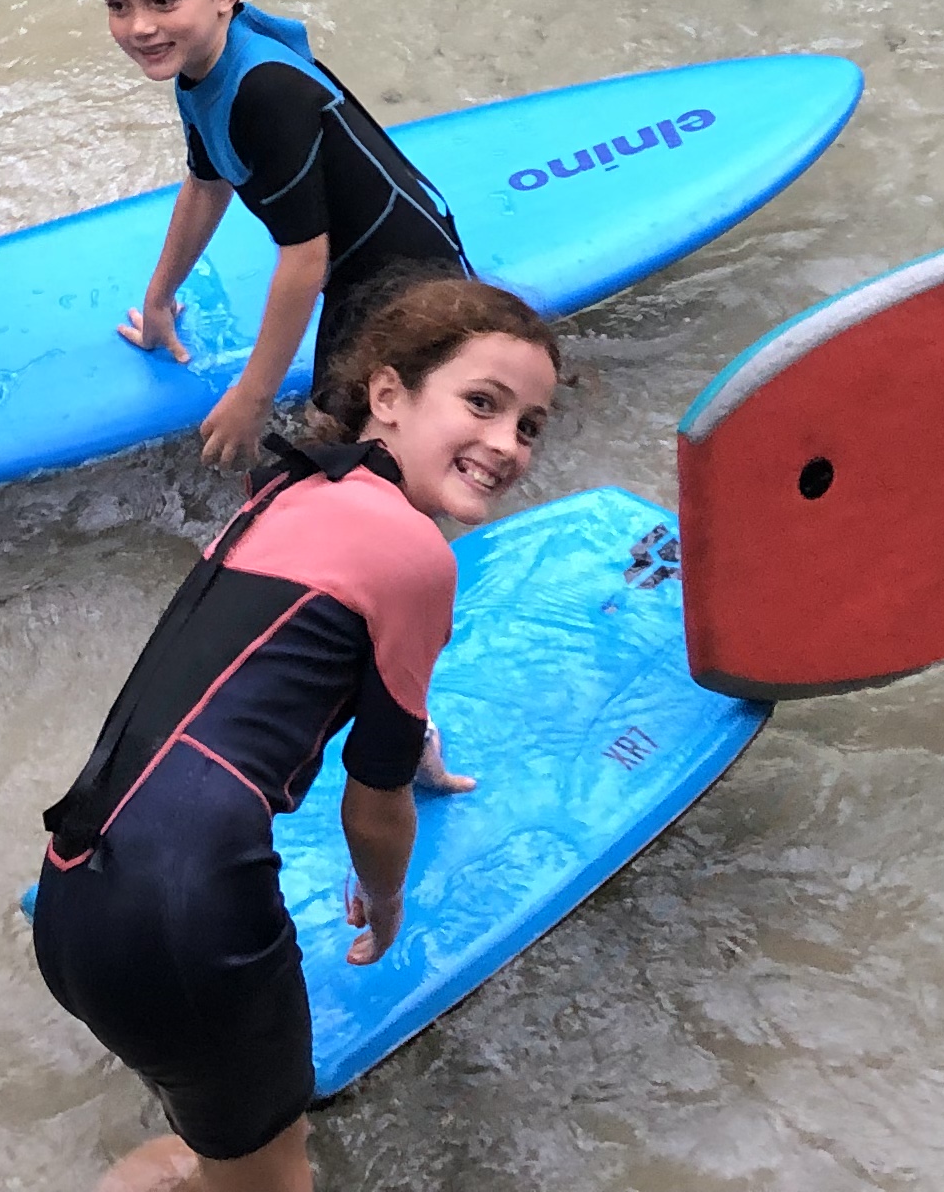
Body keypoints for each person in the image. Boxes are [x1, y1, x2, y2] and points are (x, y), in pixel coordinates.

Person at [34, 278, 559, 1192]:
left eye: (530, 425)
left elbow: (280, 670)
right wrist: (385, 900)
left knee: (230, 1140)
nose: (508, 443)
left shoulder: (293, 490)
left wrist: (415, 745)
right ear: (388, 395)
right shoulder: (416, 555)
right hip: (192, 920)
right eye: (482, 402)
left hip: (78, 895)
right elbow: (372, 804)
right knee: (275, 1176)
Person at [94, 0, 473, 469]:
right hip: (353, 270)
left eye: (163, 0)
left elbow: (304, 260)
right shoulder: (199, 63)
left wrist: (254, 398)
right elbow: (206, 184)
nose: (139, 26)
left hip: (405, 286)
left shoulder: (264, 91)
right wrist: (160, 297)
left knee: (350, 448)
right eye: (118, 5)